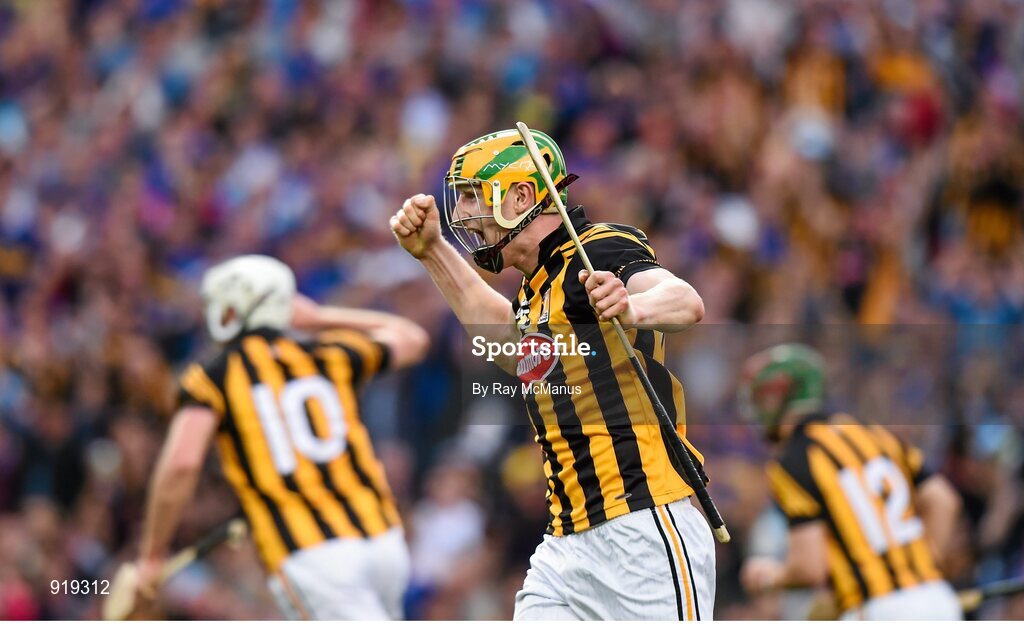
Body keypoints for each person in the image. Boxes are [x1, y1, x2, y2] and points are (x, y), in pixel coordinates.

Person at [390, 128, 714, 620]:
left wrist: (634, 307)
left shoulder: (598, 249)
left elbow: (684, 300)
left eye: (474, 196)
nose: (462, 216)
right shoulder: (534, 289)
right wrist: (434, 250)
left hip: (644, 528)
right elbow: (510, 347)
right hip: (566, 541)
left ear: (522, 195)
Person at [127, 254, 428, 619]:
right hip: (384, 542)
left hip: (311, 554)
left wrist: (152, 555)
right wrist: (320, 317)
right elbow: (412, 338)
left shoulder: (214, 375)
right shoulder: (328, 353)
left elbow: (181, 463)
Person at [738, 343, 964, 620]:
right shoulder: (873, 434)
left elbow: (809, 567)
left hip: (876, 611)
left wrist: (770, 577)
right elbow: (944, 500)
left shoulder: (794, 460)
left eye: (764, 397)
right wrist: (918, 567)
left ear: (783, 396)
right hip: (937, 598)